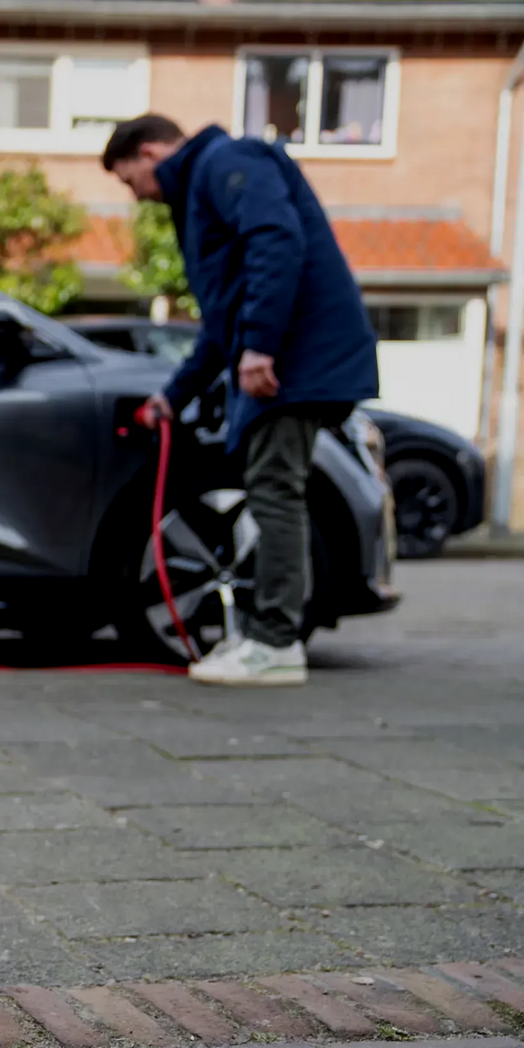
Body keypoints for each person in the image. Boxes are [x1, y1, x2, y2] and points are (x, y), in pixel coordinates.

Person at [103, 114, 379, 687]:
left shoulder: (228, 163)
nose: (140, 198)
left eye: (132, 182)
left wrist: (260, 346)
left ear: (151, 152)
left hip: (295, 362)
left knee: (274, 487)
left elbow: (276, 240)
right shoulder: (206, 184)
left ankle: (275, 641)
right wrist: (172, 396)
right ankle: (265, 634)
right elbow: (219, 325)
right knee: (273, 486)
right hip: (288, 359)